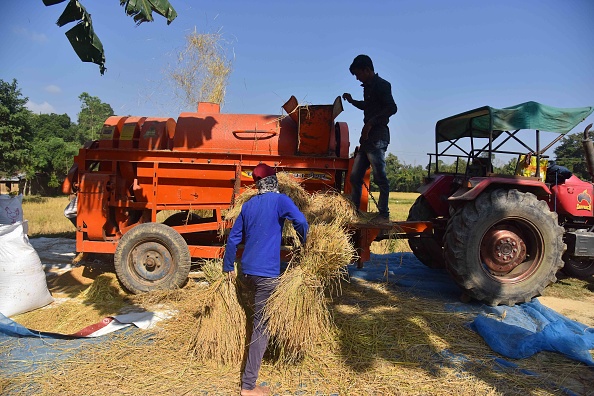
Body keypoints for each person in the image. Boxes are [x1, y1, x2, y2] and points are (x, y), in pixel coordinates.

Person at [223, 163, 309, 396]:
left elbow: (233, 240)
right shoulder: (280, 201)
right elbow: (301, 222)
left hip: (247, 272)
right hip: (267, 275)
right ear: (274, 181)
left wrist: (228, 266)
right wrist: (305, 243)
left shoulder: (248, 205)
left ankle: (252, 373)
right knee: (262, 328)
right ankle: (248, 386)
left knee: (254, 319)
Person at [342, 54, 397, 223]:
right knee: (355, 177)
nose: (358, 78)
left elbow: (392, 108)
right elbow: (368, 106)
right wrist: (352, 101)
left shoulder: (382, 85)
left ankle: (383, 215)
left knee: (380, 177)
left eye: (358, 74)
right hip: (366, 140)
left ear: (367, 70)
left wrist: (371, 123)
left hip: (378, 137)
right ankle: (355, 212)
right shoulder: (368, 87)